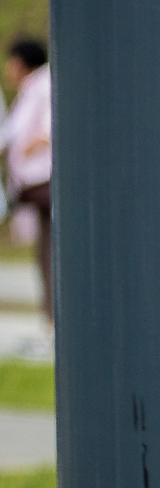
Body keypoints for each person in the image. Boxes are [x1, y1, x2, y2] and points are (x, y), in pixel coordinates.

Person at [0, 36, 53, 357]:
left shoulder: (43, 85)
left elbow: (47, 129)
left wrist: (28, 147)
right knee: (45, 251)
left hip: (43, 179)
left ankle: (54, 326)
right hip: (34, 183)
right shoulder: (31, 88)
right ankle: (50, 325)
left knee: (50, 253)